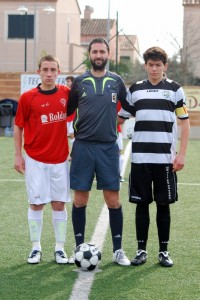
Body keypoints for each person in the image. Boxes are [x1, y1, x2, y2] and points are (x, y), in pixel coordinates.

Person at [118, 46, 190, 267]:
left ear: (165, 66)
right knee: (142, 205)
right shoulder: (136, 90)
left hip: (165, 160)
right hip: (140, 159)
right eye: (150, 65)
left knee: (163, 205)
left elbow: (184, 122)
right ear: (146, 66)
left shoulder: (175, 89)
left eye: (158, 65)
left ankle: (163, 251)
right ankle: (141, 250)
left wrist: (182, 155)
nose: (154, 69)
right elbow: (120, 119)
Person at [67, 37, 130, 266]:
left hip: (107, 148)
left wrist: (116, 119)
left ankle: (118, 250)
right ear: (89, 54)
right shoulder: (79, 82)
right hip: (83, 147)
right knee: (80, 199)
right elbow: (69, 110)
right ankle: (78, 247)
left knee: (113, 200)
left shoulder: (117, 81)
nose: (98, 55)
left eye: (102, 51)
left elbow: (129, 106)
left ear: (109, 53)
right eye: (94, 52)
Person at [14, 55, 73, 264]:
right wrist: (17, 155)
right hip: (35, 160)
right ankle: (36, 248)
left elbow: (79, 118)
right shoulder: (27, 97)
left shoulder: (67, 93)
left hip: (59, 160)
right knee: (36, 204)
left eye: (53, 70)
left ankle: (59, 249)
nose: (49, 74)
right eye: (45, 70)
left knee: (59, 204)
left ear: (59, 72)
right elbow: (18, 125)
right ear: (38, 71)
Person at [65, 76, 75, 159]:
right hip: (66, 117)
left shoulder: (75, 91)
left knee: (72, 134)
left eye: (68, 81)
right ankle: (67, 154)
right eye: (66, 81)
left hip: (74, 116)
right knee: (64, 136)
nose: (67, 82)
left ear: (72, 82)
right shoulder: (65, 91)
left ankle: (73, 153)